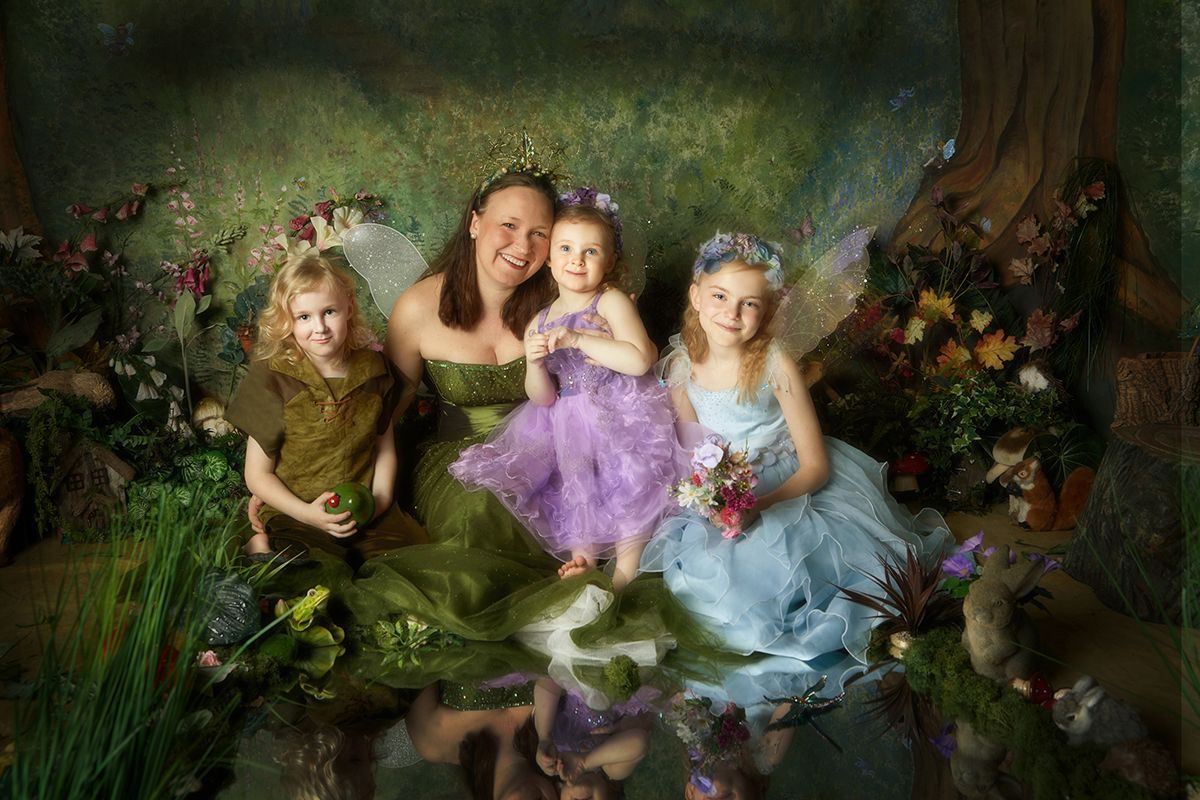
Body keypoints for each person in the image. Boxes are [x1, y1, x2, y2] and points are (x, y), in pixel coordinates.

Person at [640, 232, 951, 696]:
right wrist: (712, 500)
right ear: (696, 296)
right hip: (727, 488)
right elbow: (693, 451)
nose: (731, 313)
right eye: (720, 296)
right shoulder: (683, 365)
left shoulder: (774, 363)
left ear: (767, 311)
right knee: (706, 591)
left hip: (789, 484)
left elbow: (815, 467)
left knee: (804, 576)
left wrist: (759, 504)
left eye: (749, 304)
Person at [450, 188, 684, 589]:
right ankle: (584, 557)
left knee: (630, 481)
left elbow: (638, 360)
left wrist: (577, 340)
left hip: (622, 409)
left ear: (610, 261)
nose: (577, 259)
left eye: (591, 251)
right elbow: (543, 397)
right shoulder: (539, 320)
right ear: (550, 259)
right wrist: (534, 362)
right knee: (578, 485)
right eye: (566, 248)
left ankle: (627, 569)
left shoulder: (609, 302)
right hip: (570, 419)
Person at [226, 254, 425, 568]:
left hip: (363, 508)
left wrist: (380, 502)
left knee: (412, 563)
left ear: (348, 307)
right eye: (304, 317)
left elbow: (384, 448)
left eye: (329, 312)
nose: (319, 327)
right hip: (297, 512)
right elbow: (257, 474)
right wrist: (307, 514)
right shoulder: (272, 378)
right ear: (286, 319)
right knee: (310, 570)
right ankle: (262, 543)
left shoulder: (375, 371)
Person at [532, 676, 651, 800]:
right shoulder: (612, 768)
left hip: (580, 668)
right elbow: (640, 743)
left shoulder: (555, 743)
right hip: (627, 678)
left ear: (558, 791)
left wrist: (544, 736)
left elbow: (549, 680)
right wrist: (585, 762)